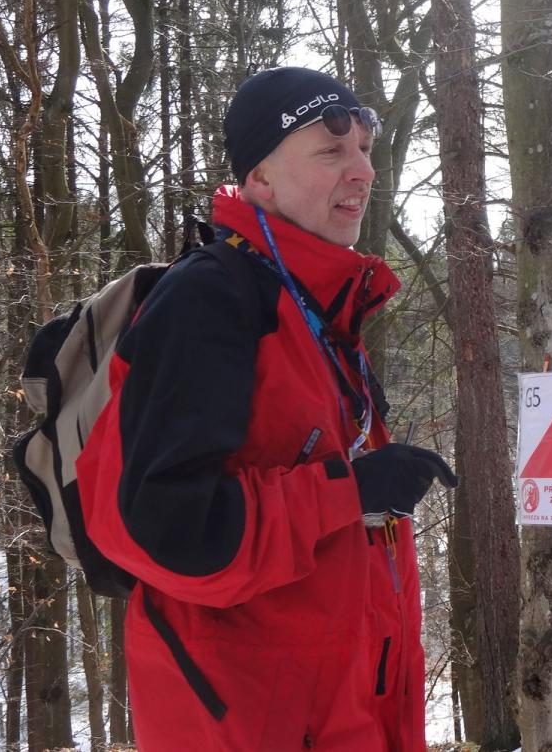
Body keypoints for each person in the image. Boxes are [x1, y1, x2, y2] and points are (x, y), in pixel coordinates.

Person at [77, 66, 456, 751]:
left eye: (364, 149)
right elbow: (171, 528)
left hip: (343, 710)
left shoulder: (320, 309)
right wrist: (350, 492)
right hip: (248, 720)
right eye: (331, 151)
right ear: (260, 178)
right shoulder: (211, 301)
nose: (363, 171)